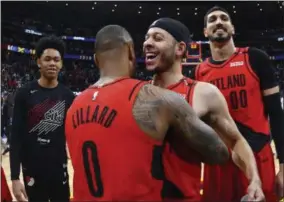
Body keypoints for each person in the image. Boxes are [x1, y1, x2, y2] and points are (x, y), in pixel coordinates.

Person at [65, 24, 229, 201]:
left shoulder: (74, 106)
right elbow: (219, 153)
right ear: (130, 52)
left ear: (96, 60)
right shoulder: (153, 98)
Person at [143, 17, 264, 201]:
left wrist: (254, 180)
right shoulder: (136, 93)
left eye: (157, 38)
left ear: (180, 49)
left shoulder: (203, 93)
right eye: (147, 38)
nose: (147, 43)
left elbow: (236, 141)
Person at [191, 6, 284, 202]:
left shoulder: (255, 58)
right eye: (212, 19)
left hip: (258, 155)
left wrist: (283, 166)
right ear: (205, 31)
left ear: (232, 28)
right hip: (218, 161)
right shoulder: (200, 71)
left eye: (224, 18)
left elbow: (276, 114)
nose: (218, 21)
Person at [10, 35, 75, 202]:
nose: (52, 63)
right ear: (38, 62)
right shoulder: (24, 94)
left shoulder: (68, 96)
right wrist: (15, 178)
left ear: (61, 64)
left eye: (56, 60)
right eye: (47, 59)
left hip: (58, 170)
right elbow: (15, 137)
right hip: (32, 171)